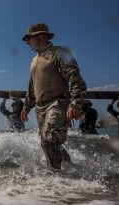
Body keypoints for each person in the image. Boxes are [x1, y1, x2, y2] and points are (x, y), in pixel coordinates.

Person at [20, 23, 87, 170]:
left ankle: (55, 178)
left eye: (28, 38)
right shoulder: (34, 60)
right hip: (40, 108)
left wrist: (75, 103)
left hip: (58, 103)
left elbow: (76, 79)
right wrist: (26, 106)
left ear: (40, 36)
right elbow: (32, 87)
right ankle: (71, 169)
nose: (26, 42)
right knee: (48, 141)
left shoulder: (58, 53)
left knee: (48, 141)